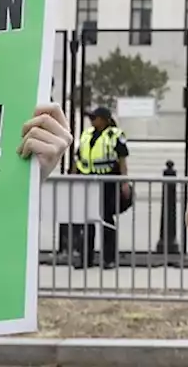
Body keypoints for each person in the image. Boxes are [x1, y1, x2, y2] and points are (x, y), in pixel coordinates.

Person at [71, 106, 131, 269]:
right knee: (87, 220)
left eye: (94, 118)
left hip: (107, 180)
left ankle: (108, 259)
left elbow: (122, 159)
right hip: (87, 180)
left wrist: (124, 182)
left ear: (104, 119)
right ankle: (86, 259)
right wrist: (72, 177)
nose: (91, 121)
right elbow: (78, 158)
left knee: (106, 219)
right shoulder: (86, 134)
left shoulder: (115, 135)